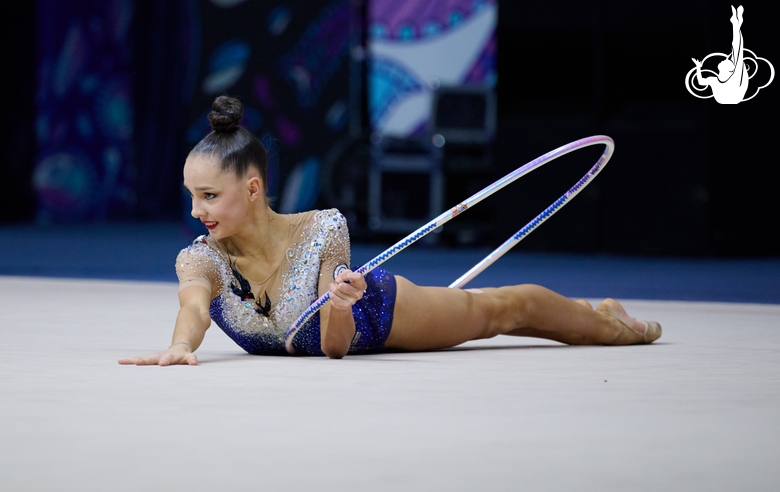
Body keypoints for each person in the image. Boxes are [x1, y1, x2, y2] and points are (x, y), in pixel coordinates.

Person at [119, 96, 661, 366]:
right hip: (342, 331)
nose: (196, 211)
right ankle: (600, 316)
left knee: (496, 312)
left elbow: (337, 348)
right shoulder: (200, 259)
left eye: (209, 196)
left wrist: (338, 302)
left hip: (375, 315)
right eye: (192, 195)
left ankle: (609, 324)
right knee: (493, 312)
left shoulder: (322, 228)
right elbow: (193, 310)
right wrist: (179, 347)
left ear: (254, 189)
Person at [692, 5, 748, 104]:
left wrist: (698, 67)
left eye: (727, 61)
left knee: (737, 51)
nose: (725, 59)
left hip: (732, 96)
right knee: (737, 52)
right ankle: (736, 24)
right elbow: (700, 82)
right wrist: (698, 67)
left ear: (729, 69)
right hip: (730, 97)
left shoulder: (731, 78)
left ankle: (736, 24)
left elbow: (737, 49)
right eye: (728, 60)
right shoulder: (715, 80)